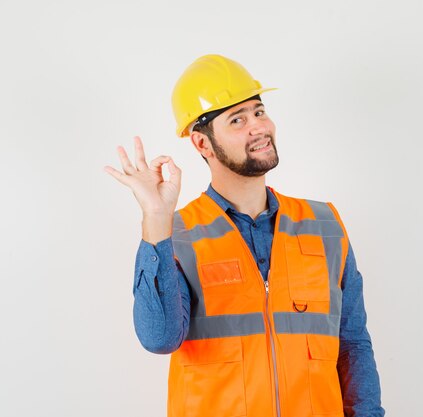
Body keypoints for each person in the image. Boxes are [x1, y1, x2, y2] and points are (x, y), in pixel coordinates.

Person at [105, 54, 384, 417]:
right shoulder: (175, 234)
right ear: (202, 145)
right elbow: (159, 338)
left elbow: (353, 345)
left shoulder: (325, 224)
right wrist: (157, 218)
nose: (258, 127)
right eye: (237, 120)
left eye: (259, 111)